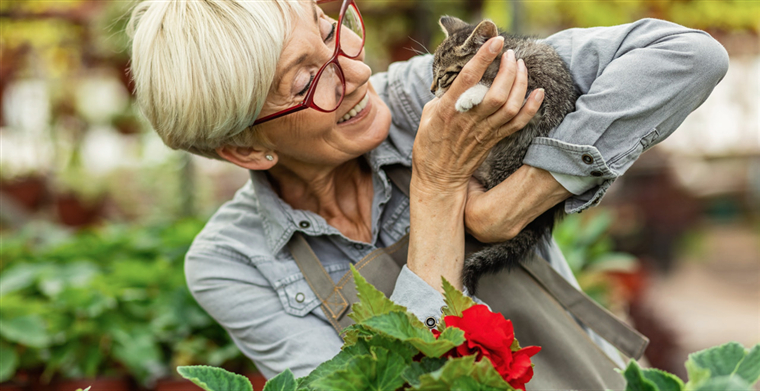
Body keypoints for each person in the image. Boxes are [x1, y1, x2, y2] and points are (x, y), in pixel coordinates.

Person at [127, 0, 728, 380]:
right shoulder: (234, 263)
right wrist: (439, 188)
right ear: (246, 150)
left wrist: (513, 202)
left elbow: (686, 55)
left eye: (331, 26)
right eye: (310, 76)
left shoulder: (434, 94)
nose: (359, 73)